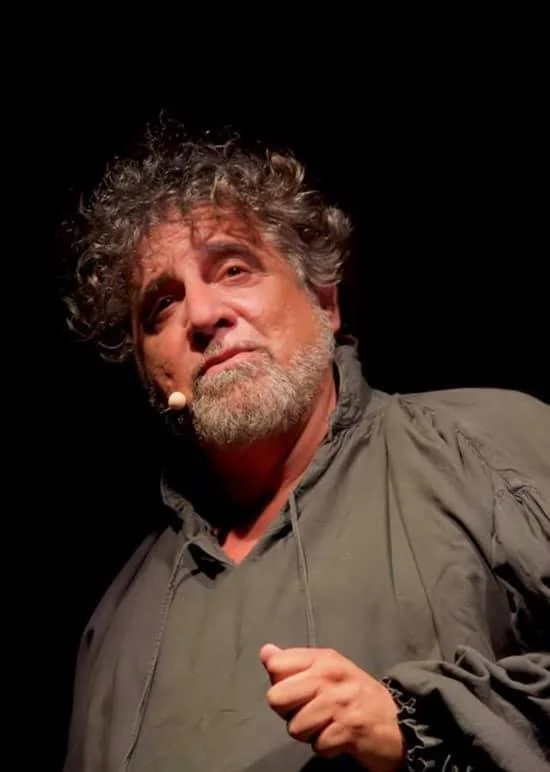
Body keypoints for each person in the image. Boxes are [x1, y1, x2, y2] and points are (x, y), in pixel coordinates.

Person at [61, 125, 550, 772]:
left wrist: (424, 726)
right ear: (153, 373)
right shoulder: (115, 625)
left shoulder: (491, 448)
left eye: (233, 269)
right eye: (161, 307)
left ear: (324, 301)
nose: (201, 316)